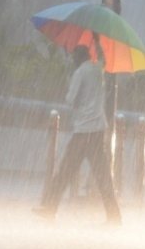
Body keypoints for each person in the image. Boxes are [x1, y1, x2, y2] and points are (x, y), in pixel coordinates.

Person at [33, 43, 122, 225]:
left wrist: (69, 86)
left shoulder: (80, 72)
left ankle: (50, 207)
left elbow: (71, 100)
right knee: (103, 175)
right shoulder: (98, 70)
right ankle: (114, 216)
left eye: (73, 57)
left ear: (78, 58)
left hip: (83, 131)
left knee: (65, 171)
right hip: (97, 129)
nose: (72, 60)